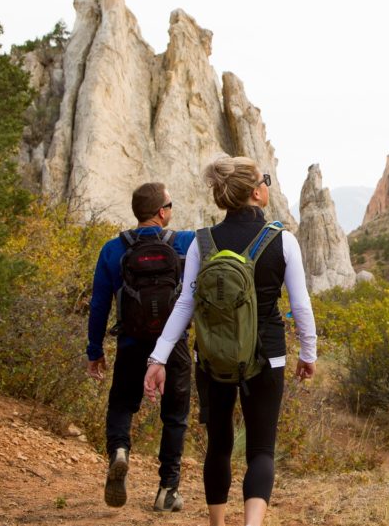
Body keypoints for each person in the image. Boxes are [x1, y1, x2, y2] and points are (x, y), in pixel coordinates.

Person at [144, 156, 317, 526]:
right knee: (260, 449)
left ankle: (217, 525)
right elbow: (301, 306)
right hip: (266, 356)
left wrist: (157, 358)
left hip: (211, 358)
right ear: (256, 192)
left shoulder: (201, 242)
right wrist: (308, 352)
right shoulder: (282, 240)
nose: (267, 185)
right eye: (265, 180)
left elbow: (185, 304)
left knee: (219, 447)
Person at [86, 182, 194, 512]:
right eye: (170, 204)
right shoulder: (185, 242)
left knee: (122, 404)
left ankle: (120, 450)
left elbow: (100, 303)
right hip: (172, 344)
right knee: (174, 416)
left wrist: (95, 349)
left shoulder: (112, 249)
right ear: (162, 212)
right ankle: (167, 489)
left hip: (132, 341)